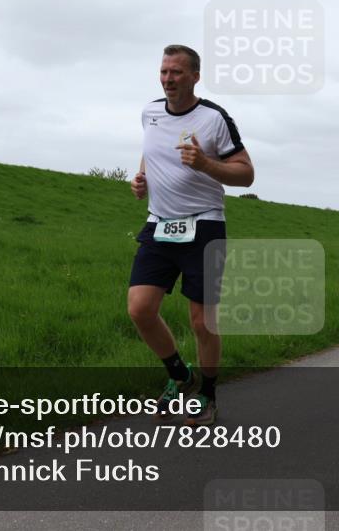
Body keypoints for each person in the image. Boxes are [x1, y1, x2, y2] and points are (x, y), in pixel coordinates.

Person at [128, 44, 254, 427]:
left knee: (201, 322)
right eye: (164, 72)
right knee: (140, 309)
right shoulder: (150, 113)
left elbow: (246, 173)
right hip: (160, 223)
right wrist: (142, 178)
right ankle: (180, 374)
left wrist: (205, 163)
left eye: (177, 72)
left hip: (205, 225)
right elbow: (151, 152)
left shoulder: (214, 118)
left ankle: (208, 395)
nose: (168, 79)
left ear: (195, 76)